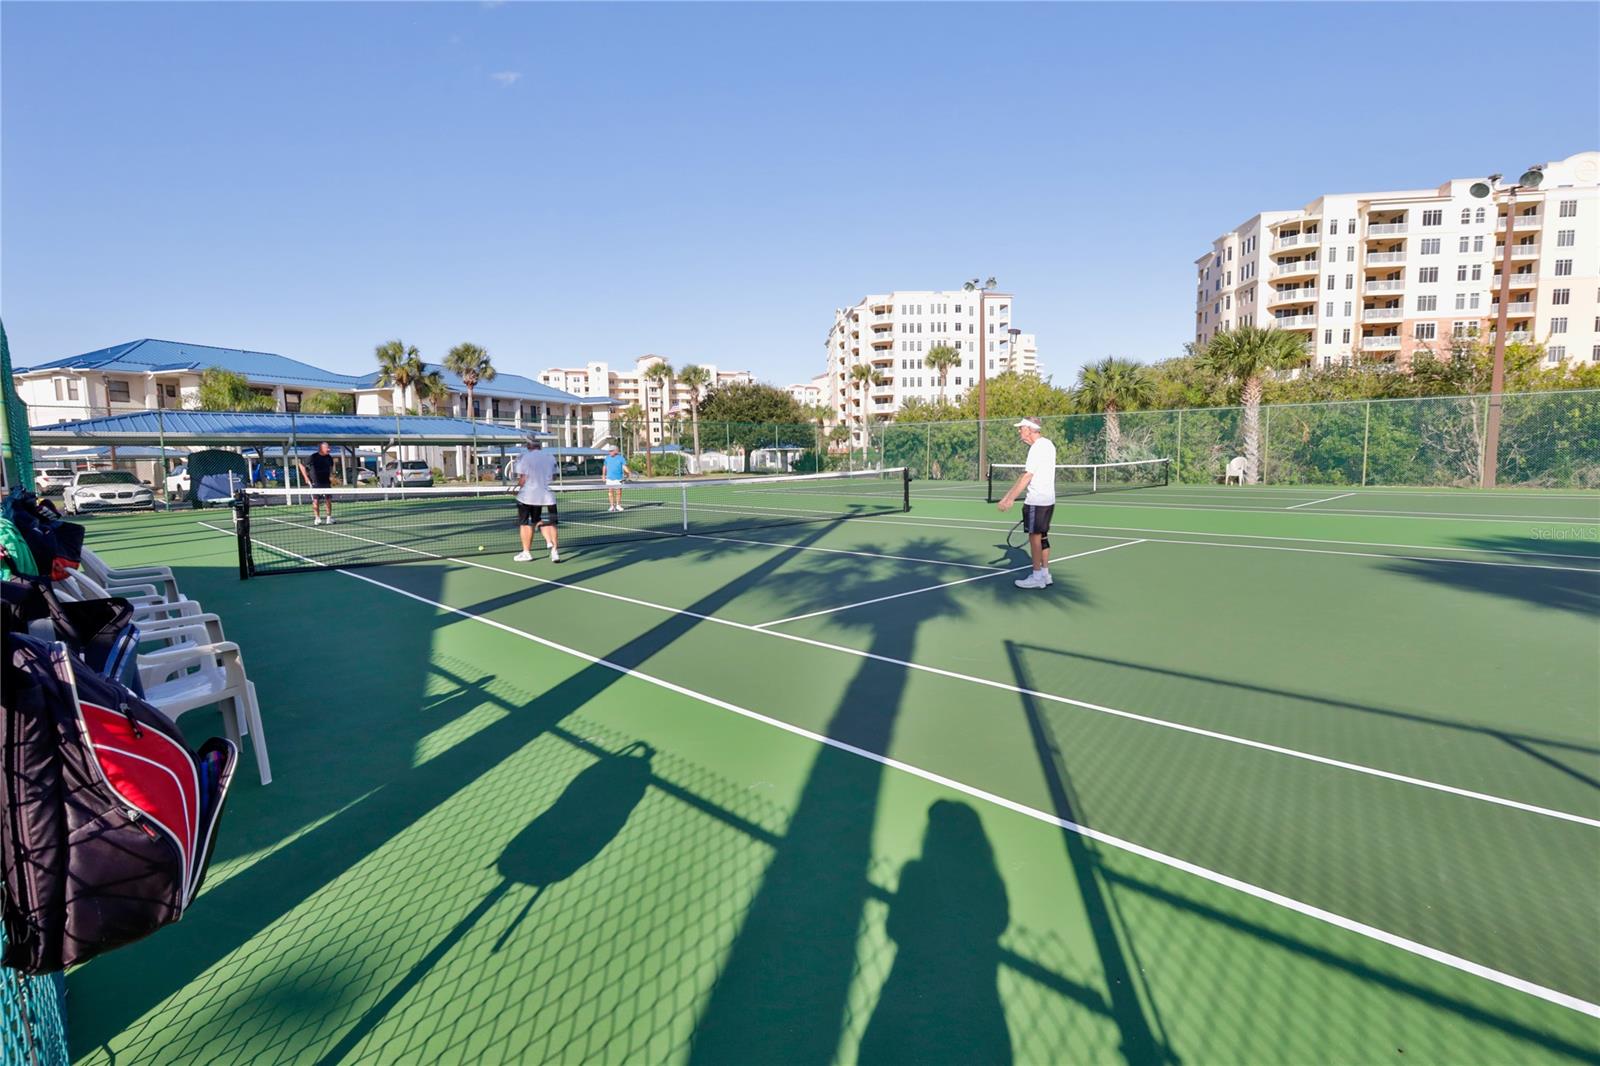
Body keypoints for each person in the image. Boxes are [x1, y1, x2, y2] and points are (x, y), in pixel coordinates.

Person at [995, 418, 1055, 589]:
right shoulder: (1048, 444)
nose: (1019, 431)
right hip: (1048, 500)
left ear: (1029, 429)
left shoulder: (1036, 449)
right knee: (1043, 536)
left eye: (1021, 428)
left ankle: (1037, 577)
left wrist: (1010, 499)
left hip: (1036, 500)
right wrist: (1008, 495)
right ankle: (1045, 574)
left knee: (1034, 538)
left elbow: (1027, 476)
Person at [513, 434, 561, 563]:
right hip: (546, 496)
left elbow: (523, 478)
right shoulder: (550, 457)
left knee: (525, 524)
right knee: (547, 523)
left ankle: (526, 552)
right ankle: (554, 551)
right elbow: (554, 477)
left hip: (527, 497)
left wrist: (518, 487)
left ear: (529, 446)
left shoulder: (524, 457)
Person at [297, 441, 337, 526]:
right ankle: (317, 518)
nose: (329, 449)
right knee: (316, 500)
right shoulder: (313, 457)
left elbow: (330, 467)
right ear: (321, 448)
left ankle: (329, 518)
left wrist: (330, 476)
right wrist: (306, 477)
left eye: (329, 447)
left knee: (328, 500)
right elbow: (301, 465)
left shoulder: (329, 458)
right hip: (316, 483)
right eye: (327, 448)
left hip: (326, 482)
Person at [602, 444, 628, 512]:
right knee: (610, 492)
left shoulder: (621, 458)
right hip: (609, 478)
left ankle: (618, 505)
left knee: (619, 492)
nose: (610, 452)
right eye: (609, 451)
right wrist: (603, 475)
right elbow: (604, 467)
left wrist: (628, 472)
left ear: (616, 451)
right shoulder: (607, 458)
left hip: (619, 478)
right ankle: (612, 506)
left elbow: (624, 466)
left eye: (611, 451)